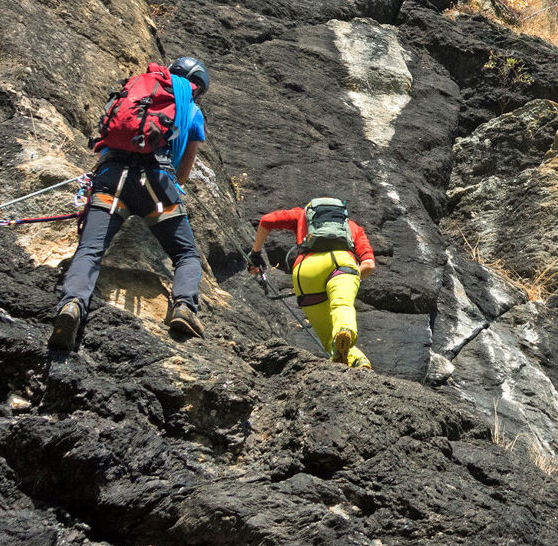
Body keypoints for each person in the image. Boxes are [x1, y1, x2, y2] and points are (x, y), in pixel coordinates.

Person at [49, 58, 211, 350]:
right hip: (155, 186)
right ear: (197, 88)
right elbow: (183, 176)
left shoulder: (138, 91)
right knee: (187, 254)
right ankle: (184, 307)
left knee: (90, 249)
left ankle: (72, 305)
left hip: (111, 179)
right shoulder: (192, 110)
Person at [248, 198, 376, 368]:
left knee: (327, 335)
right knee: (342, 304)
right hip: (342, 263)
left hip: (306, 270)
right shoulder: (353, 227)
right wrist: (350, 279)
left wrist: (255, 254)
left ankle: (357, 361)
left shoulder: (301, 216)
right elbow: (369, 265)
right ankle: (345, 331)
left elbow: (267, 221)